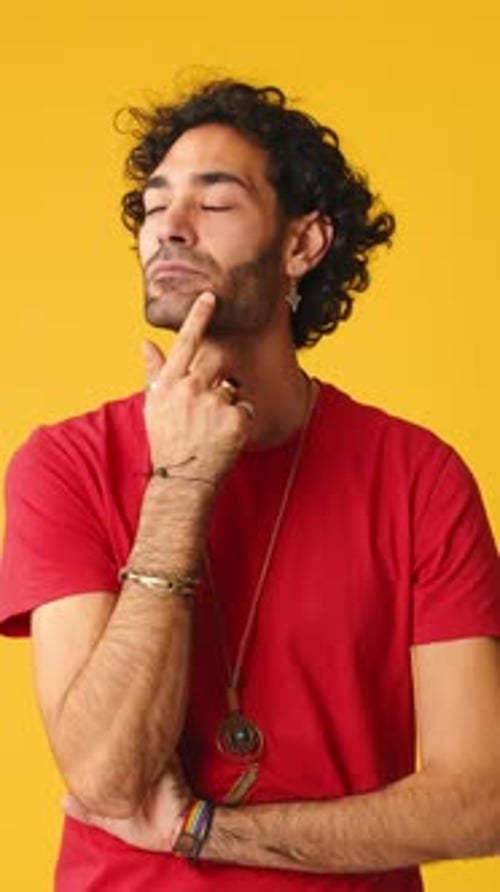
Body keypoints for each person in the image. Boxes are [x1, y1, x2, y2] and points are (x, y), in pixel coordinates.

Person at [1, 79, 499, 892]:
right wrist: (180, 486)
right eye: (155, 203)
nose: (169, 225)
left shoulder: (419, 476)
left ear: (304, 245)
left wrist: (206, 830)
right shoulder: (63, 464)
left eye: (216, 201)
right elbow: (107, 779)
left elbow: (481, 800)